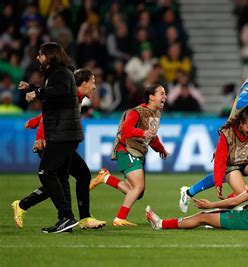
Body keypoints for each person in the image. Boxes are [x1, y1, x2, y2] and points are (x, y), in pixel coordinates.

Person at [179, 52, 248, 213]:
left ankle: (190, 192)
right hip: (236, 135)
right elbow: (240, 103)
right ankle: (201, 200)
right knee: (230, 171)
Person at [12, 68, 106, 230]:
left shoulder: (78, 96)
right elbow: (50, 111)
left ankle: (81, 219)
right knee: (58, 182)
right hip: (51, 142)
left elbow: (51, 109)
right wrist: (40, 136)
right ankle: (23, 205)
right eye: (93, 82)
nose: (95, 87)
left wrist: (34, 120)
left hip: (60, 141)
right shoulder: (73, 95)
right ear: (83, 83)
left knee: (80, 175)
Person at [17, 42, 83, 233]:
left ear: (51, 55)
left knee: (46, 172)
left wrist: (37, 92)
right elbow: (57, 93)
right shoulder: (58, 73)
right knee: (61, 176)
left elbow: (61, 93)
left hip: (64, 131)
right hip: (64, 131)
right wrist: (32, 87)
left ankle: (66, 217)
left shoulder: (61, 72)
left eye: (41, 54)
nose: (38, 57)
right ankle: (66, 221)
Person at [146, 152, 248, 230]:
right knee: (220, 211)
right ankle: (216, 217)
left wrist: (210, 205)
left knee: (202, 217)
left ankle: (161, 224)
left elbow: (236, 200)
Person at [89, 84, 169, 226]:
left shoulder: (155, 113)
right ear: (151, 97)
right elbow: (126, 129)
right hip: (127, 149)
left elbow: (151, 135)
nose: (165, 96)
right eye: (161, 94)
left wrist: (160, 149)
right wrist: (143, 133)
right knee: (137, 187)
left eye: (165, 94)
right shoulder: (137, 112)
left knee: (137, 192)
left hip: (137, 152)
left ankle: (105, 178)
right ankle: (120, 218)